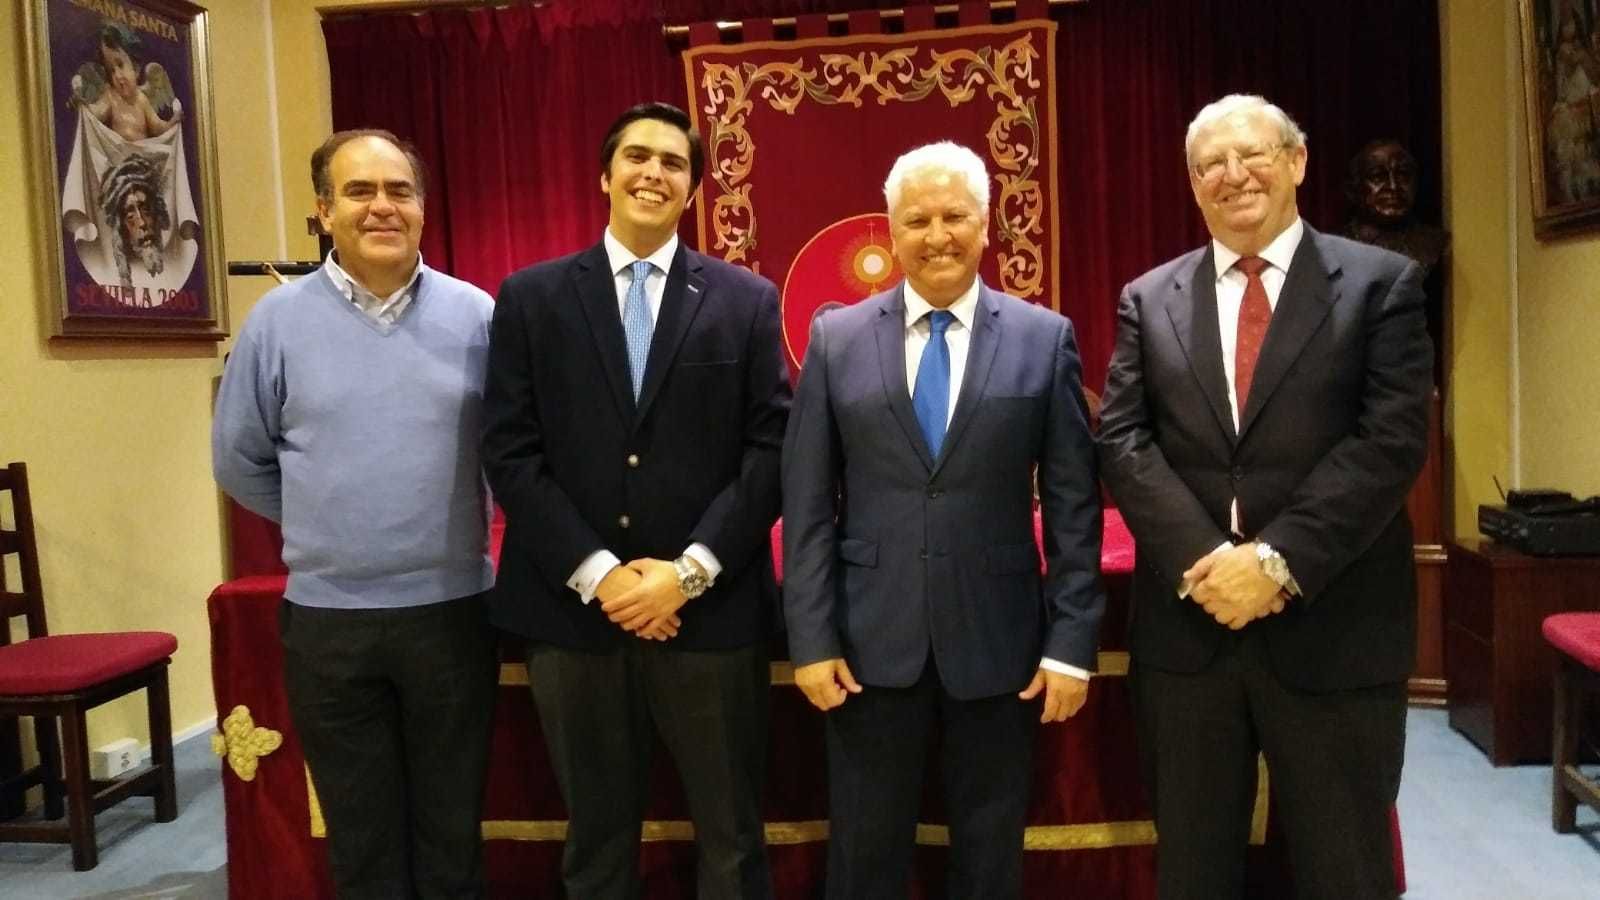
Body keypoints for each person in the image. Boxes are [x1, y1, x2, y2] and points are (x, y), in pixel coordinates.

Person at [1097, 94, 1433, 900]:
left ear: (1297, 163)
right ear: (1192, 182)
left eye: (1252, 155)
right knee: (1195, 868)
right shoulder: (1150, 299)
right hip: (1191, 634)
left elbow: (1388, 445)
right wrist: (1208, 559)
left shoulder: (1381, 286)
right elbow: (1123, 440)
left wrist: (1276, 563)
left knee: (1343, 868)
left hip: (1335, 624)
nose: (1232, 174)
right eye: (1210, 163)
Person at [482, 101, 790, 900]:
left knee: (731, 835)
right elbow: (510, 451)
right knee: (596, 837)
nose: (654, 172)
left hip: (711, 613)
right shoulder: (531, 297)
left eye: (674, 163)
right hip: (572, 615)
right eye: (637, 157)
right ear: (605, 175)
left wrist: (685, 573)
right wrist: (602, 574)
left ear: (691, 187)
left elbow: (772, 451)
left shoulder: (745, 300)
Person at [781, 141, 1104, 900]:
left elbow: (1073, 505)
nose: (938, 235)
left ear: (986, 225)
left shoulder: (1042, 337)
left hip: (1001, 649)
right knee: (863, 860)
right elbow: (807, 504)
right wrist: (813, 638)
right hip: (867, 648)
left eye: (955, 215)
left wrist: (1071, 644)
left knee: (989, 861)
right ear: (889, 233)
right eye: (917, 219)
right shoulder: (835, 340)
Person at [213, 129, 499, 900]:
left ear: (422, 208)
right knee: (362, 843)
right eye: (359, 191)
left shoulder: (477, 315)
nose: (382, 207)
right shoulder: (276, 323)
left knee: (452, 837)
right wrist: (325, 524)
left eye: (399, 191)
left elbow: (508, 454)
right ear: (323, 211)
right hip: (329, 625)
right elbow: (239, 460)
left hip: (454, 616)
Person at [73, 24, 182, 142]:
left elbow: (157, 127)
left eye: (120, 65)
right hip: (118, 155)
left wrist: (171, 123)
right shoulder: (111, 96)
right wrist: (83, 105)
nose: (117, 75)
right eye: (112, 70)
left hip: (141, 157)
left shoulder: (142, 100)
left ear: (136, 69)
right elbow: (97, 113)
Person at [99, 154, 170, 290]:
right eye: (130, 215)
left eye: (146, 210)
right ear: (120, 226)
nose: (142, 223)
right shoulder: (104, 270)